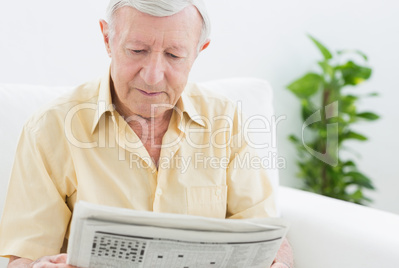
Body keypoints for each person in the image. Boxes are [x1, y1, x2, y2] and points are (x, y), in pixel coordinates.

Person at [0, 0, 293, 267]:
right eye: (137, 50)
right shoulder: (50, 128)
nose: (153, 75)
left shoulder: (225, 120)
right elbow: (24, 257)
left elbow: (268, 239)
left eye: (174, 55)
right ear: (107, 39)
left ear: (198, 52)